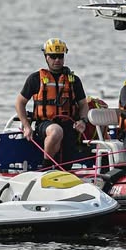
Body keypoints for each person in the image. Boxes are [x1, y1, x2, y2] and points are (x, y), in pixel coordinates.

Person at [15, 38, 90, 166]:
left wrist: (82, 121)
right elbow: (19, 103)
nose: (57, 60)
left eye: (60, 57)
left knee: (67, 163)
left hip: (69, 125)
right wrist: (27, 126)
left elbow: (83, 104)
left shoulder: (73, 80)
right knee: (56, 131)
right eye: (53, 57)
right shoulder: (35, 79)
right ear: (46, 57)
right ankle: (46, 165)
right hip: (45, 124)